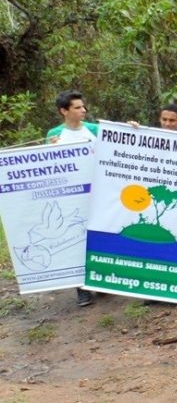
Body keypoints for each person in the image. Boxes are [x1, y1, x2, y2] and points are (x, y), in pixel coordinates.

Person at [47, 90, 99, 307]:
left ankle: (101, 279)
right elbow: (49, 167)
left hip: (97, 194)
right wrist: (50, 150)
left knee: (98, 237)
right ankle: (81, 288)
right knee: (76, 239)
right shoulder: (55, 135)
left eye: (83, 106)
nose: (83, 110)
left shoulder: (95, 130)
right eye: (77, 107)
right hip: (71, 198)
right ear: (64, 111)